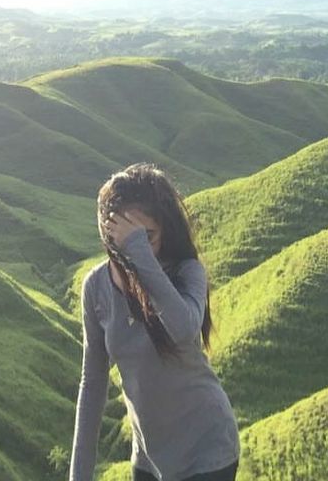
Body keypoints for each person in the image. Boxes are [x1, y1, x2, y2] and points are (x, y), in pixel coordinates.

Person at [68, 161, 240, 481]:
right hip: (150, 460)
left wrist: (138, 255)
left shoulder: (187, 272)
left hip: (207, 451)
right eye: (131, 237)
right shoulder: (96, 288)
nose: (143, 247)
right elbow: (92, 385)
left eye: (149, 236)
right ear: (109, 233)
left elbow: (183, 329)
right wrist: (79, 476)